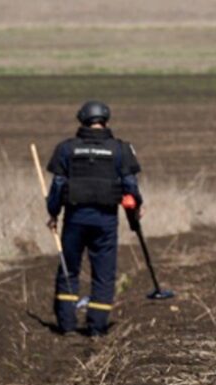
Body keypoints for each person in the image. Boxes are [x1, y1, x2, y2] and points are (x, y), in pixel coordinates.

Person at [46, 100, 143, 336]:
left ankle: (67, 325)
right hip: (105, 222)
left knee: (69, 269)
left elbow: (58, 186)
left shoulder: (66, 149)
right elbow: (130, 186)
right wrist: (136, 209)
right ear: (106, 121)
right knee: (103, 273)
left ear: (81, 120)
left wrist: (53, 212)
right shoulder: (120, 149)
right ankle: (97, 328)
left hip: (75, 220)